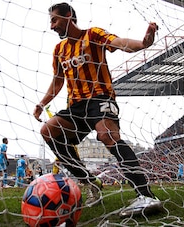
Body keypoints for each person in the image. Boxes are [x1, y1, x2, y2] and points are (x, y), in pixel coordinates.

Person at [33, 2, 161, 217]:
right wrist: (41, 104)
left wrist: (143, 43)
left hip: (99, 98)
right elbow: (57, 82)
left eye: (54, 20)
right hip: (75, 107)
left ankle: (145, 195)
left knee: (107, 135)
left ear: (68, 16)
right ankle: (90, 182)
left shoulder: (92, 35)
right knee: (48, 131)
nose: (52, 26)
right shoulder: (59, 50)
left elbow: (119, 42)